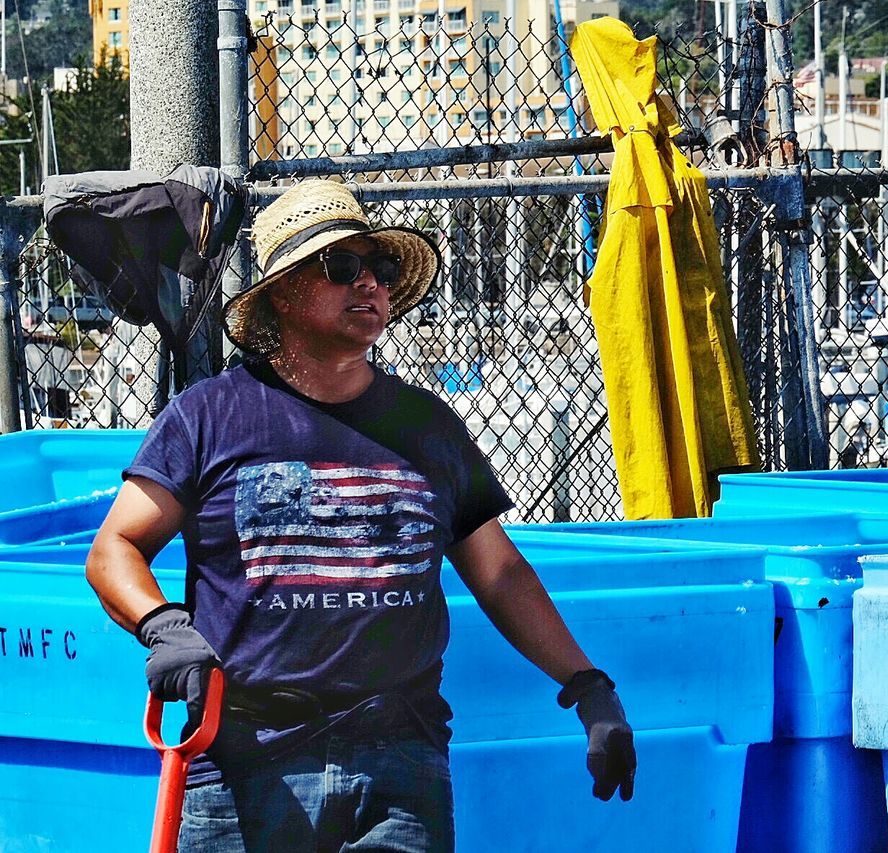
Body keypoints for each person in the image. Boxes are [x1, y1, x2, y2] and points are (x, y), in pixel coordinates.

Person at [85, 179, 636, 851]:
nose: (369, 283)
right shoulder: (210, 415)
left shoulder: (427, 425)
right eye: (342, 267)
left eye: (381, 268)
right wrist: (165, 626)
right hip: (244, 763)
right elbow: (115, 546)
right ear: (283, 293)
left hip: (399, 761)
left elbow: (499, 572)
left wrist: (588, 685)